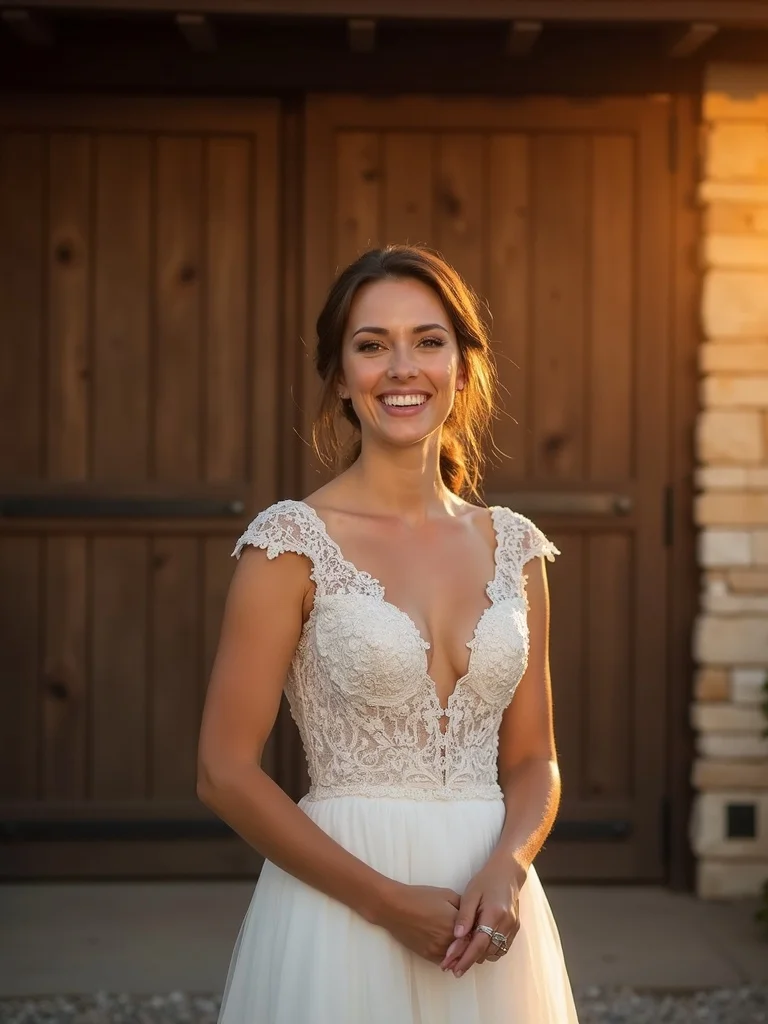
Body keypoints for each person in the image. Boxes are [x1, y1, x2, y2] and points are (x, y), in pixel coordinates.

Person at [197, 245, 579, 1023]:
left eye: (428, 341)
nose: (403, 367)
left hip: (487, 915)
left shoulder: (515, 546)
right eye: (372, 345)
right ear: (340, 377)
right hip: (341, 905)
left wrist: (509, 865)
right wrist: (384, 903)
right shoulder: (291, 544)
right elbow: (224, 771)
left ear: (463, 367)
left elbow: (534, 757)